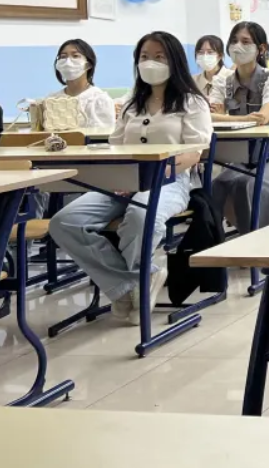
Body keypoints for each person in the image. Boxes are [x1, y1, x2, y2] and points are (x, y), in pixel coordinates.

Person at [49, 32, 212, 322]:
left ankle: (130, 286)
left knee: (140, 214)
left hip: (170, 180)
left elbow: (194, 153)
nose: (150, 63)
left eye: (159, 57)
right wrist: (120, 178)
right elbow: (116, 146)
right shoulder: (131, 103)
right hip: (123, 182)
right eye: (144, 57)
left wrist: (151, 177)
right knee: (65, 222)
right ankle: (134, 281)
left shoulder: (191, 102)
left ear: (175, 61)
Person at [210, 21, 269, 232]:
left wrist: (226, 118)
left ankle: (262, 241)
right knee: (217, 186)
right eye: (234, 41)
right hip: (243, 158)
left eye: (245, 42)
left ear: (261, 48)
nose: (238, 47)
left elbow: (262, 117)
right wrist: (240, 119)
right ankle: (225, 241)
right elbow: (209, 118)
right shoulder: (222, 81)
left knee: (254, 186)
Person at [48, 38, 115, 128]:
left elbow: (105, 134)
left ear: (88, 65)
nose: (68, 62)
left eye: (75, 56)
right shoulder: (52, 99)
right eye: (63, 56)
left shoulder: (100, 100)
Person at [192, 35, 231, 103]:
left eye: (210, 52)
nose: (205, 56)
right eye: (201, 52)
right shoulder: (193, 81)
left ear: (220, 56)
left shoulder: (232, 77)